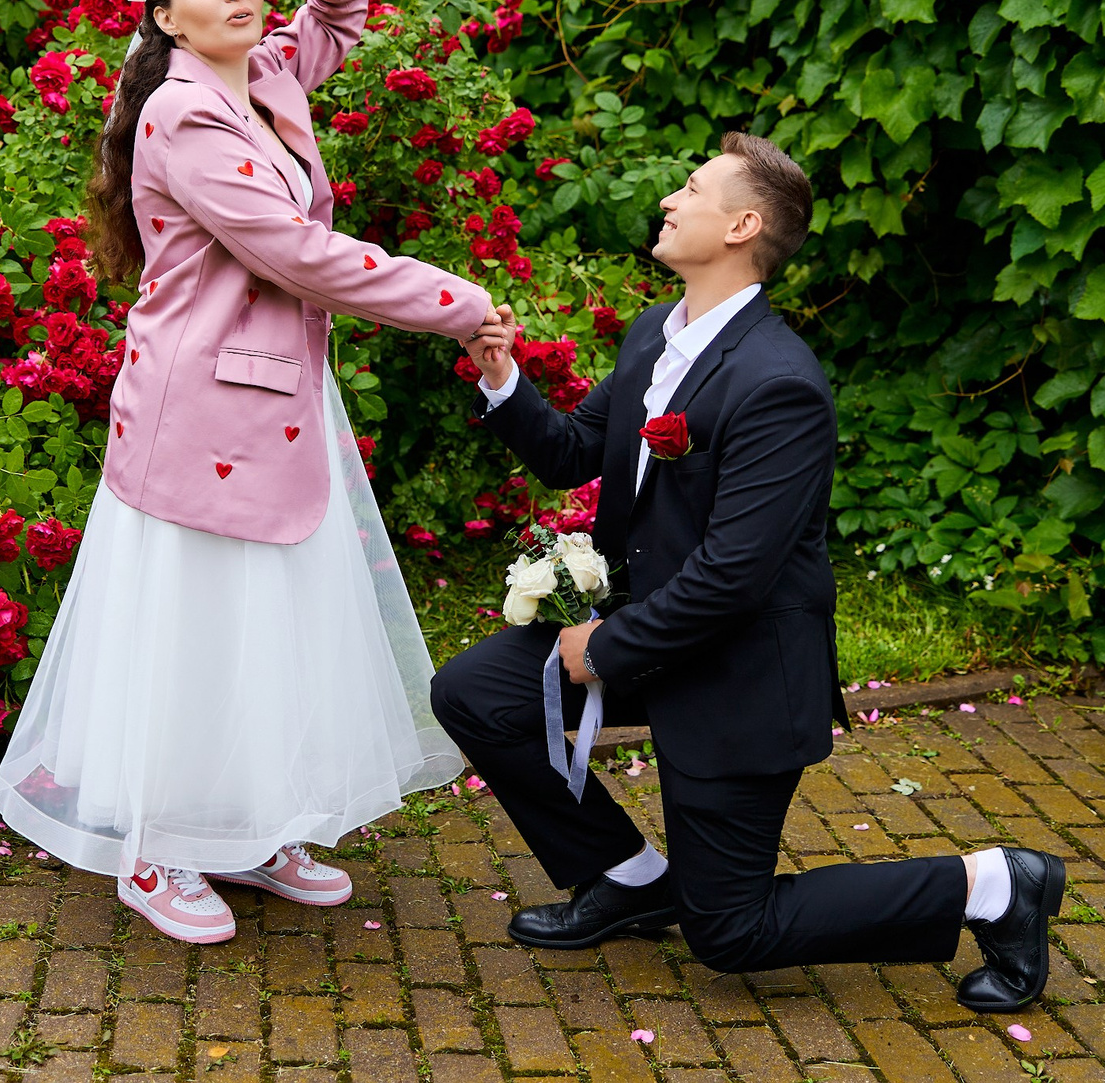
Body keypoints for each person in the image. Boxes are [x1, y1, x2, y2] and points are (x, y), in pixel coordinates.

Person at [437, 134, 1062, 1012]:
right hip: (661, 639)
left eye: (690, 188)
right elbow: (575, 450)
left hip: (740, 673)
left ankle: (996, 883)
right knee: (474, 689)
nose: (669, 199)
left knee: (730, 931)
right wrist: (503, 378)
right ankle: (628, 878)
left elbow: (734, 573)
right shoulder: (658, 332)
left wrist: (606, 645)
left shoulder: (780, 384)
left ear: (742, 223)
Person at [0, 0, 494, 945]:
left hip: (274, 398)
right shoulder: (183, 117)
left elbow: (343, 18)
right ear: (167, 20)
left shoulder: (263, 75)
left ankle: (250, 828)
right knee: (199, 633)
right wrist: (458, 302)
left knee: (269, 626)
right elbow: (297, 254)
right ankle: (155, 850)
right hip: (200, 411)